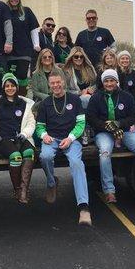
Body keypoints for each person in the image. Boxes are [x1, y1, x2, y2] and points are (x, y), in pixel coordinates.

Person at [87, 69, 135, 206]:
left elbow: (133, 116)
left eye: (112, 80)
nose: (109, 83)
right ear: (103, 82)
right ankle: (109, 190)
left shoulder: (126, 96)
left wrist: (119, 124)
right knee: (104, 153)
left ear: (117, 81)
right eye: (106, 81)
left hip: (125, 131)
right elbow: (91, 118)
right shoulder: (96, 97)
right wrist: (106, 126)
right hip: (104, 133)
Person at [36, 72, 91, 225]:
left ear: (63, 83)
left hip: (71, 138)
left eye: (58, 82)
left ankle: (84, 208)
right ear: (49, 85)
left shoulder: (75, 99)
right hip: (52, 138)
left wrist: (71, 138)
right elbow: (39, 127)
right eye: (52, 83)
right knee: (45, 157)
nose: (56, 85)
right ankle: (52, 183)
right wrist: (44, 136)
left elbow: (81, 124)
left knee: (76, 163)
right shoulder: (45, 103)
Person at [0, 73, 36, 203]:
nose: (10, 88)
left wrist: (25, 134)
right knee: (15, 156)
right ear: (3, 87)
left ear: (17, 86)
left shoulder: (25, 103)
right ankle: (17, 189)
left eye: (12, 85)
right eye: (7, 86)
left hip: (20, 137)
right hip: (3, 138)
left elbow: (31, 123)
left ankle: (24, 190)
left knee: (29, 152)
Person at [6, 0, 40, 96]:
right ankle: (10, 100)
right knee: (10, 76)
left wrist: (36, 44)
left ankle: (21, 99)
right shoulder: (5, 11)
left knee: (22, 75)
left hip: (24, 50)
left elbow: (33, 28)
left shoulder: (26, 11)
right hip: (9, 51)